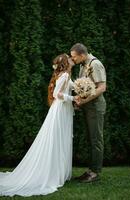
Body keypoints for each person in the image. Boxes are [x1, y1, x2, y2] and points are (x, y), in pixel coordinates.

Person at [0, 53, 77, 196]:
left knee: (59, 140)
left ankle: (58, 172)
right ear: (66, 62)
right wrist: (73, 97)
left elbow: (72, 86)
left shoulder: (66, 75)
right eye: (70, 58)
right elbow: (56, 94)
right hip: (60, 110)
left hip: (62, 110)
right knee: (58, 140)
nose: (73, 60)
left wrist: (82, 88)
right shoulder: (65, 75)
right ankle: (54, 174)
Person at [70, 43, 106, 183]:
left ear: (82, 55)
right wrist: (80, 99)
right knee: (91, 139)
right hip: (88, 106)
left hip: (95, 107)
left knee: (96, 139)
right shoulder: (82, 65)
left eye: (74, 57)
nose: (72, 59)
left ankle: (95, 172)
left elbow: (102, 87)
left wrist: (83, 101)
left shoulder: (95, 64)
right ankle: (91, 170)